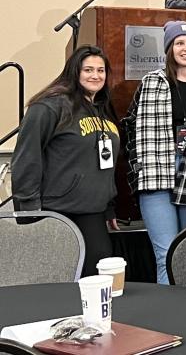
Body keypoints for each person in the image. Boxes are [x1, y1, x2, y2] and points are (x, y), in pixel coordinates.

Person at [123, 21, 186, 284]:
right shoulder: (151, 82)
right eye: (179, 43)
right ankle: (168, 320)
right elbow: (131, 126)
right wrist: (138, 166)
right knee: (165, 253)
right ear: (169, 48)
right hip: (156, 172)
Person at [11, 45, 120, 277]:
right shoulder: (50, 106)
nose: (95, 75)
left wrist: (109, 206)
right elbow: (26, 157)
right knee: (58, 279)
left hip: (93, 211)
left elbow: (106, 163)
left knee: (98, 277)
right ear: (74, 71)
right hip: (56, 211)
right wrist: (30, 211)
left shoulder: (102, 109)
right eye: (88, 69)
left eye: (101, 70)